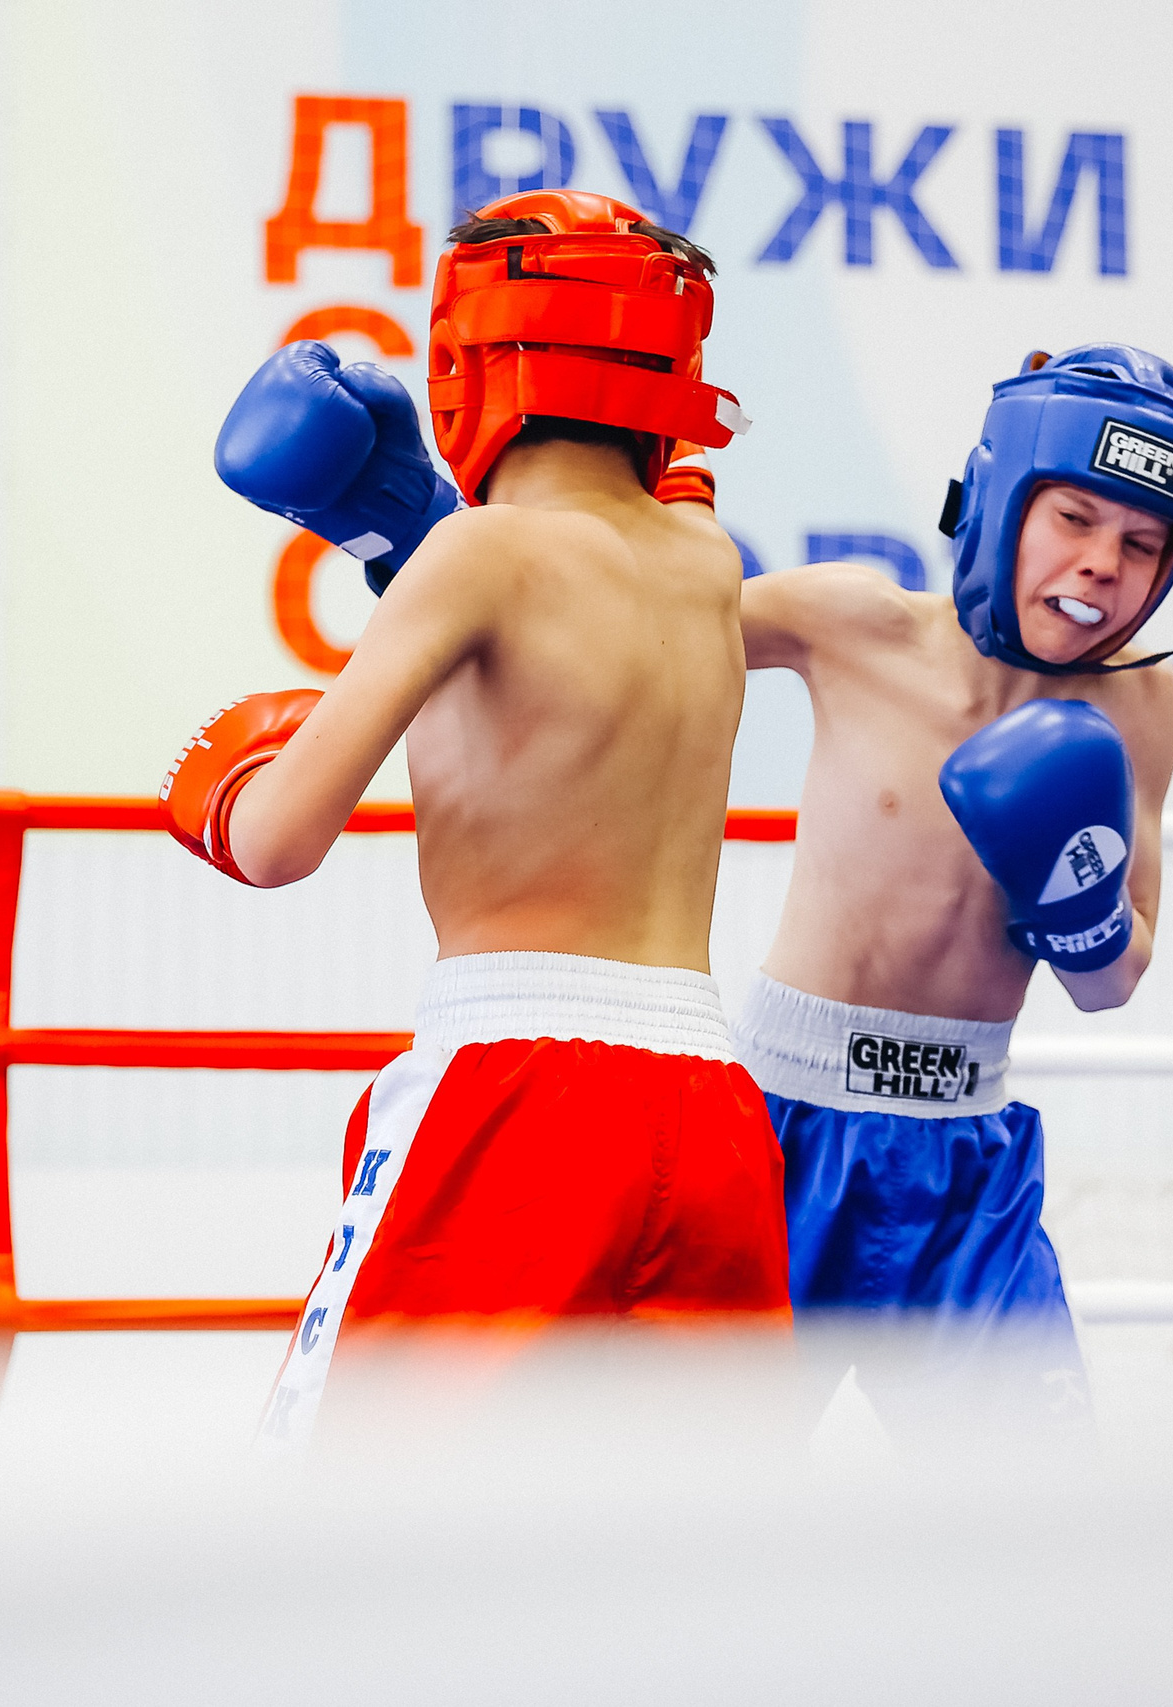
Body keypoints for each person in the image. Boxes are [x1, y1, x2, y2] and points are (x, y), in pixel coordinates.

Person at [182, 191, 784, 1450]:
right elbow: (550, 639)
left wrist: (220, 789)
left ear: (467, 362)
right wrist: (410, 530)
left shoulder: (475, 561)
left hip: (517, 1085)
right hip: (712, 1114)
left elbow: (280, 837)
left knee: (363, 1502)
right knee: (680, 1539)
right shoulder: (704, 563)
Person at [733, 345, 1173, 1441]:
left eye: (1142, 545)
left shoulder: (1144, 703)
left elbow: (1113, 979)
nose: (1103, 563)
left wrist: (1080, 911)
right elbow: (630, 634)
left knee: (1037, 1516)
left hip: (966, 1156)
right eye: (1076, 518)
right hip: (781, 1135)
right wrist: (430, 547)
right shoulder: (852, 622)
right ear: (1000, 504)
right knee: (704, 1498)